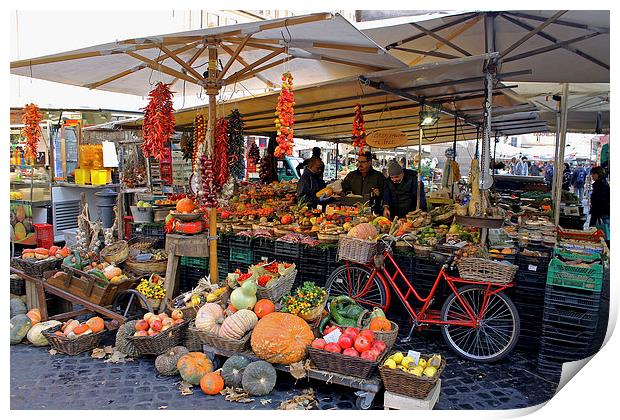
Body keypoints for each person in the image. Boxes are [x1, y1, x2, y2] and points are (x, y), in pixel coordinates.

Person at [589, 166, 610, 245]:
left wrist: (598, 213)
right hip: (600, 212)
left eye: (593, 174)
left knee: (601, 232)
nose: (592, 176)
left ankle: (604, 246)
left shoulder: (601, 185)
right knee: (603, 231)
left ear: (598, 174)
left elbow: (601, 200)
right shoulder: (602, 184)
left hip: (600, 213)